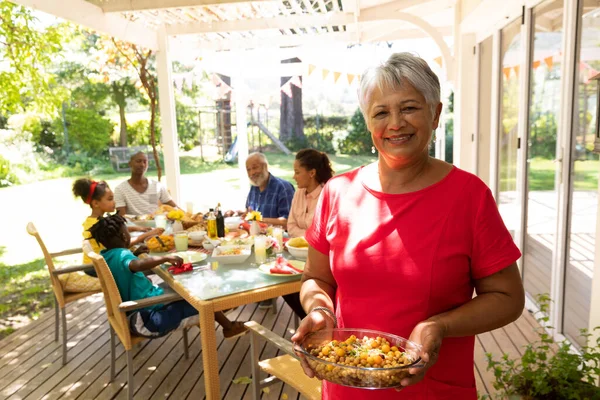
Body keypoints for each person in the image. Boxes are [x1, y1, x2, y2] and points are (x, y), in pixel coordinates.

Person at [291, 53, 525, 399]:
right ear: (368, 122)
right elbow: (316, 277)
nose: (396, 123)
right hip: (347, 384)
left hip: (432, 387)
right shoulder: (338, 193)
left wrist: (439, 326)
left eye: (410, 108)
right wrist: (320, 309)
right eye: (381, 112)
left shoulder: (469, 196)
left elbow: (508, 298)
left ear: (436, 113)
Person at [88, 214, 248, 339]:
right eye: (126, 231)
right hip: (149, 319)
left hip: (135, 313)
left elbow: (123, 266)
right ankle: (228, 324)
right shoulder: (123, 255)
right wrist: (165, 258)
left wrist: (134, 253)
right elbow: (135, 265)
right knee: (202, 299)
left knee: (187, 289)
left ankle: (221, 314)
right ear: (124, 237)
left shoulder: (107, 255)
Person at [72, 178, 162, 267]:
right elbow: (123, 244)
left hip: (92, 265)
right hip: (99, 269)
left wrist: (137, 228)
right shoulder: (97, 224)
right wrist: (149, 234)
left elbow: (113, 231)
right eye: (110, 199)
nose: (114, 202)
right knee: (147, 265)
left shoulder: (92, 221)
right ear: (96, 203)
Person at [287, 149, 334, 238]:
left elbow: (323, 236)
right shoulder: (299, 193)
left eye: (297, 172)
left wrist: (303, 236)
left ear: (312, 173)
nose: (294, 177)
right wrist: (309, 236)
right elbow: (290, 227)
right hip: (298, 249)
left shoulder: (327, 197)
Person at [114, 152, 179, 216]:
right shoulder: (120, 190)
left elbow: (174, 208)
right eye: (138, 161)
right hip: (133, 226)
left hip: (157, 225)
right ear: (130, 164)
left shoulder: (157, 186)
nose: (142, 165)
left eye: (145, 162)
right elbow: (122, 218)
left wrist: (187, 217)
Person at [244, 152, 295, 228]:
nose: (252, 173)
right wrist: (239, 214)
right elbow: (249, 212)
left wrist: (259, 220)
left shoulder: (283, 188)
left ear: (265, 167)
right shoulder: (254, 188)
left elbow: (288, 221)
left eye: (255, 168)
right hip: (256, 237)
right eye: (248, 170)